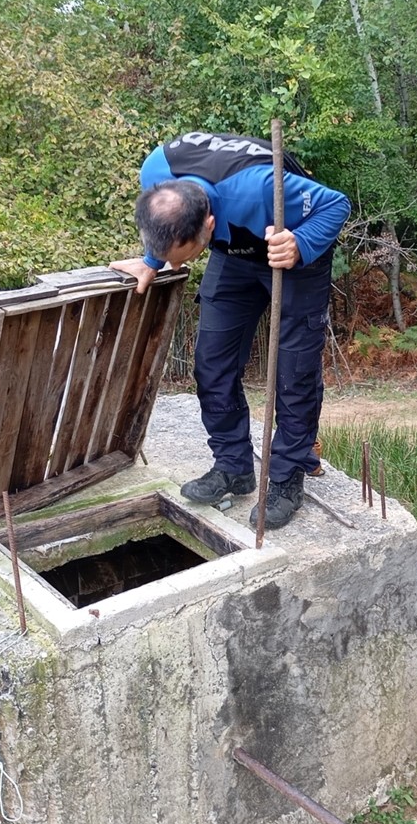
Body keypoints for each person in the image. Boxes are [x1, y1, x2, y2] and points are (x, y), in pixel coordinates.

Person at [110, 132, 351, 529]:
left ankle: (287, 478)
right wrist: (152, 260)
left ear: (206, 225)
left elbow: (336, 203)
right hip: (234, 253)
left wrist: (301, 243)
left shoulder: (258, 190)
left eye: (180, 258)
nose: (175, 268)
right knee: (211, 364)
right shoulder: (157, 173)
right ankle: (233, 467)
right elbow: (166, 229)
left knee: (293, 374)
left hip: (290, 249)